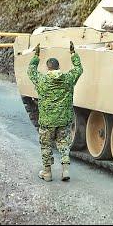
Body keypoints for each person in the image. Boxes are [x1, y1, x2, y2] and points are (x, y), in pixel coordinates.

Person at [28, 40, 83, 182]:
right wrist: (73, 53)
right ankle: (65, 170)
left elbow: (31, 71)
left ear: (48, 68)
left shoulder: (42, 80)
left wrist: (36, 55)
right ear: (59, 67)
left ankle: (47, 173)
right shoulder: (68, 79)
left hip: (47, 122)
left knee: (46, 146)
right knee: (63, 144)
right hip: (64, 120)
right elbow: (78, 69)